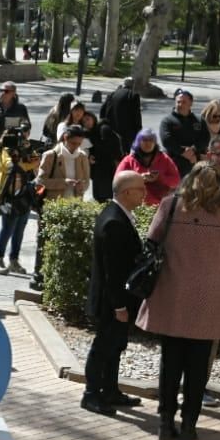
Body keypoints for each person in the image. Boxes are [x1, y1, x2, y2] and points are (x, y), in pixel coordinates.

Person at [136, 162, 220, 440]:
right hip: (210, 295)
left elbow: (152, 239)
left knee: (170, 361)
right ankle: (188, 425)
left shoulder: (170, 205)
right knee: (198, 367)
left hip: (173, 291)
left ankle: (164, 421)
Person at [82, 170, 147, 415]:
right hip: (111, 303)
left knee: (115, 346)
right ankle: (91, 394)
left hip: (117, 302)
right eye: (141, 189)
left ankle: (110, 390)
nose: (144, 194)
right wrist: (119, 306)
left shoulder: (119, 215)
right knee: (103, 347)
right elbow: (112, 272)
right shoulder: (113, 222)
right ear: (127, 192)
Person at [0, 127, 42, 275]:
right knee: (7, 229)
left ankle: (14, 260)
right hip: (8, 195)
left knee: (19, 229)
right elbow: (11, 167)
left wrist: (28, 150)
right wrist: (26, 163)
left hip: (24, 195)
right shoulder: (3, 152)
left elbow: (36, 162)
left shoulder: (23, 151)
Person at [0, 83, 31, 209]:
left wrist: (23, 135)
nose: (3, 93)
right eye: (1, 90)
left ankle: (7, 200)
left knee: (11, 175)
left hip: (12, 148)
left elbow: (27, 125)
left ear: (13, 93)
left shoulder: (20, 108)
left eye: (6, 91)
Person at [116, 129, 181, 206]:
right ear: (139, 142)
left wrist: (160, 178)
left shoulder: (164, 158)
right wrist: (139, 179)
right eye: (145, 140)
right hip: (136, 205)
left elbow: (176, 180)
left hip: (160, 204)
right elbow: (118, 181)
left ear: (155, 143)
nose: (148, 143)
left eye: (151, 140)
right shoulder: (129, 160)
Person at [38, 124, 92, 202]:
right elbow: (41, 181)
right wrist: (63, 182)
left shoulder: (82, 156)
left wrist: (82, 186)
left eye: (79, 144)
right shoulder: (50, 155)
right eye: (73, 143)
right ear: (65, 138)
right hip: (54, 204)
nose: (76, 146)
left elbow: (86, 182)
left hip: (75, 204)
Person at [159, 88, 209, 169]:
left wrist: (193, 150)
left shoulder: (199, 120)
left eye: (184, 102)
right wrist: (183, 152)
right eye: (178, 102)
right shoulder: (167, 121)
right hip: (174, 162)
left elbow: (205, 138)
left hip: (196, 161)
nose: (180, 104)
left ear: (191, 103)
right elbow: (167, 140)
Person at [101, 77, 145, 151]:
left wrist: (103, 124)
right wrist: (139, 129)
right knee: (125, 152)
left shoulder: (112, 94)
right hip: (126, 132)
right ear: (133, 85)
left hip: (111, 128)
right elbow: (136, 114)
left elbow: (103, 110)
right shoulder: (133, 95)